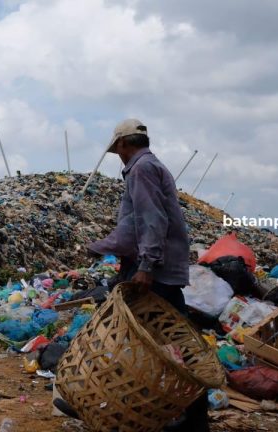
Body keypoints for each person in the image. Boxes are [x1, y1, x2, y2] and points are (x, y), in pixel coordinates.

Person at [54, 119, 208, 431]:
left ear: (124, 144)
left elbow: (152, 221)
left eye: (118, 150)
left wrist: (146, 267)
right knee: (172, 345)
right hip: (159, 270)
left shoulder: (141, 169)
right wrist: (102, 246)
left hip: (154, 272)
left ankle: (95, 401)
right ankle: (193, 419)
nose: (118, 156)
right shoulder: (150, 167)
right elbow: (132, 228)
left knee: (120, 336)